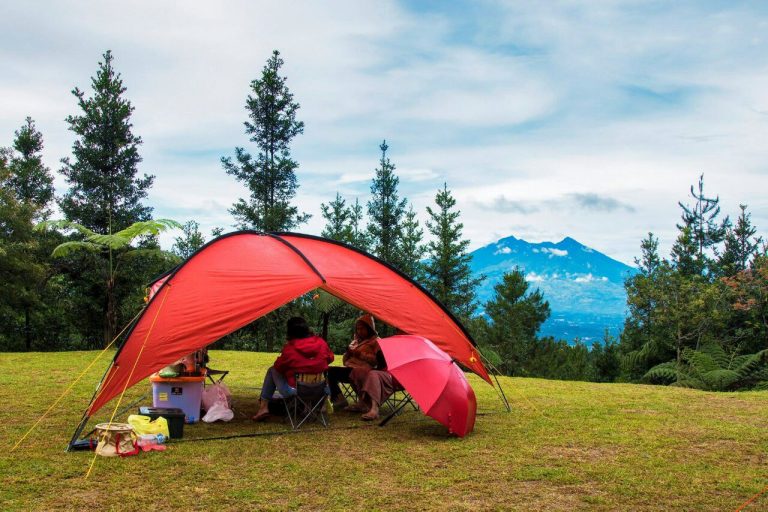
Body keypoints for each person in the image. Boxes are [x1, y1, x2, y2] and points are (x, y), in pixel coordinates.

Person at [252, 316, 334, 422]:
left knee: (272, 370)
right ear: (307, 329)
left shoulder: (290, 348)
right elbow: (330, 358)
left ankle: (263, 407)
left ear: (289, 332)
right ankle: (310, 408)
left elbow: (278, 367)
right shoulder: (321, 343)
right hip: (321, 390)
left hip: (296, 392)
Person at [327, 313, 382, 410]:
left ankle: (364, 402)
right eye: (358, 329)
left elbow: (376, 361)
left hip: (365, 372)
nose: (359, 331)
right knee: (329, 371)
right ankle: (339, 399)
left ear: (369, 328)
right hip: (350, 368)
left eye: (362, 328)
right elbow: (345, 361)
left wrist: (359, 354)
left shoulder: (376, 341)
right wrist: (348, 353)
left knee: (341, 372)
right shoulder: (355, 341)